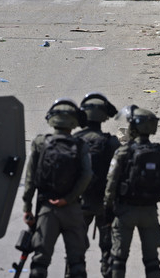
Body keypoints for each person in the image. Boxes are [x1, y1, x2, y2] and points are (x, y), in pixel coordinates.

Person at [22, 99, 92, 278]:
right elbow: (86, 175)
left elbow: (30, 179)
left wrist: (27, 207)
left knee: (39, 262)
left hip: (47, 210)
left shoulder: (40, 143)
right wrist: (68, 199)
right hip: (72, 210)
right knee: (77, 264)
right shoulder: (81, 145)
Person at [104, 106, 160, 278]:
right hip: (149, 211)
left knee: (118, 259)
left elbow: (111, 183)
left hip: (125, 211)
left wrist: (108, 208)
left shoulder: (123, 152)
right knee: (152, 260)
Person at [74, 93, 120, 276]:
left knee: (75, 249)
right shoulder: (112, 142)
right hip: (104, 203)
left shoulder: (76, 140)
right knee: (108, 248)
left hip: (79, 202)